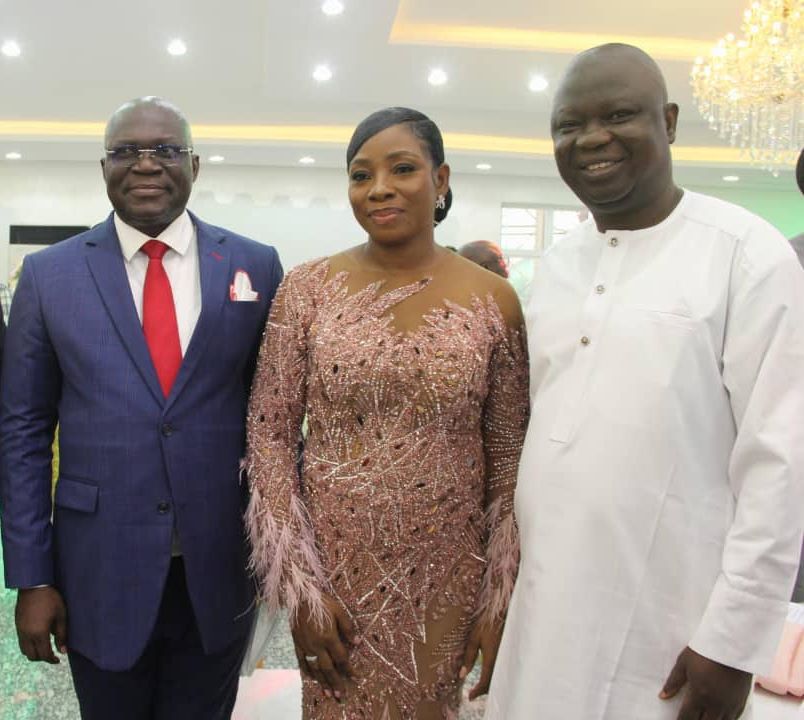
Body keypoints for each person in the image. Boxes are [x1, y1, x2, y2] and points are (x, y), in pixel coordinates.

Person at [487, 44, 804, 720]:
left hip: (672, 619)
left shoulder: (747, 256)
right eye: (569, 125)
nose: (592, 139)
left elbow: (780, 464)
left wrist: (735, 641)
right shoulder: (558, 267)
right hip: (546, 610)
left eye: (619, 115)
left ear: (669, 121)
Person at [0, 97, 283, 720]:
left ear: (196, 165)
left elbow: (275, 419)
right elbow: (21, 431)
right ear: (104, 167)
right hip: (97, 565)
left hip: (218, 565)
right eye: (127, 151)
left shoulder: (253, 264)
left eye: (166, 151)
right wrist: (31, 575)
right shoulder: (49, 277)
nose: (146, 164)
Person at [245, 107, 529, 719]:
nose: (379, 188)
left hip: (449, 573)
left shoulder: (494, 300)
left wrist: (497, 597)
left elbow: (510, 462)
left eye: (402, 168)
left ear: (441, 178)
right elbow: (267, 437)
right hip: (334, 573)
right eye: (360, 174)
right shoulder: (308, 289)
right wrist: (298, 588)